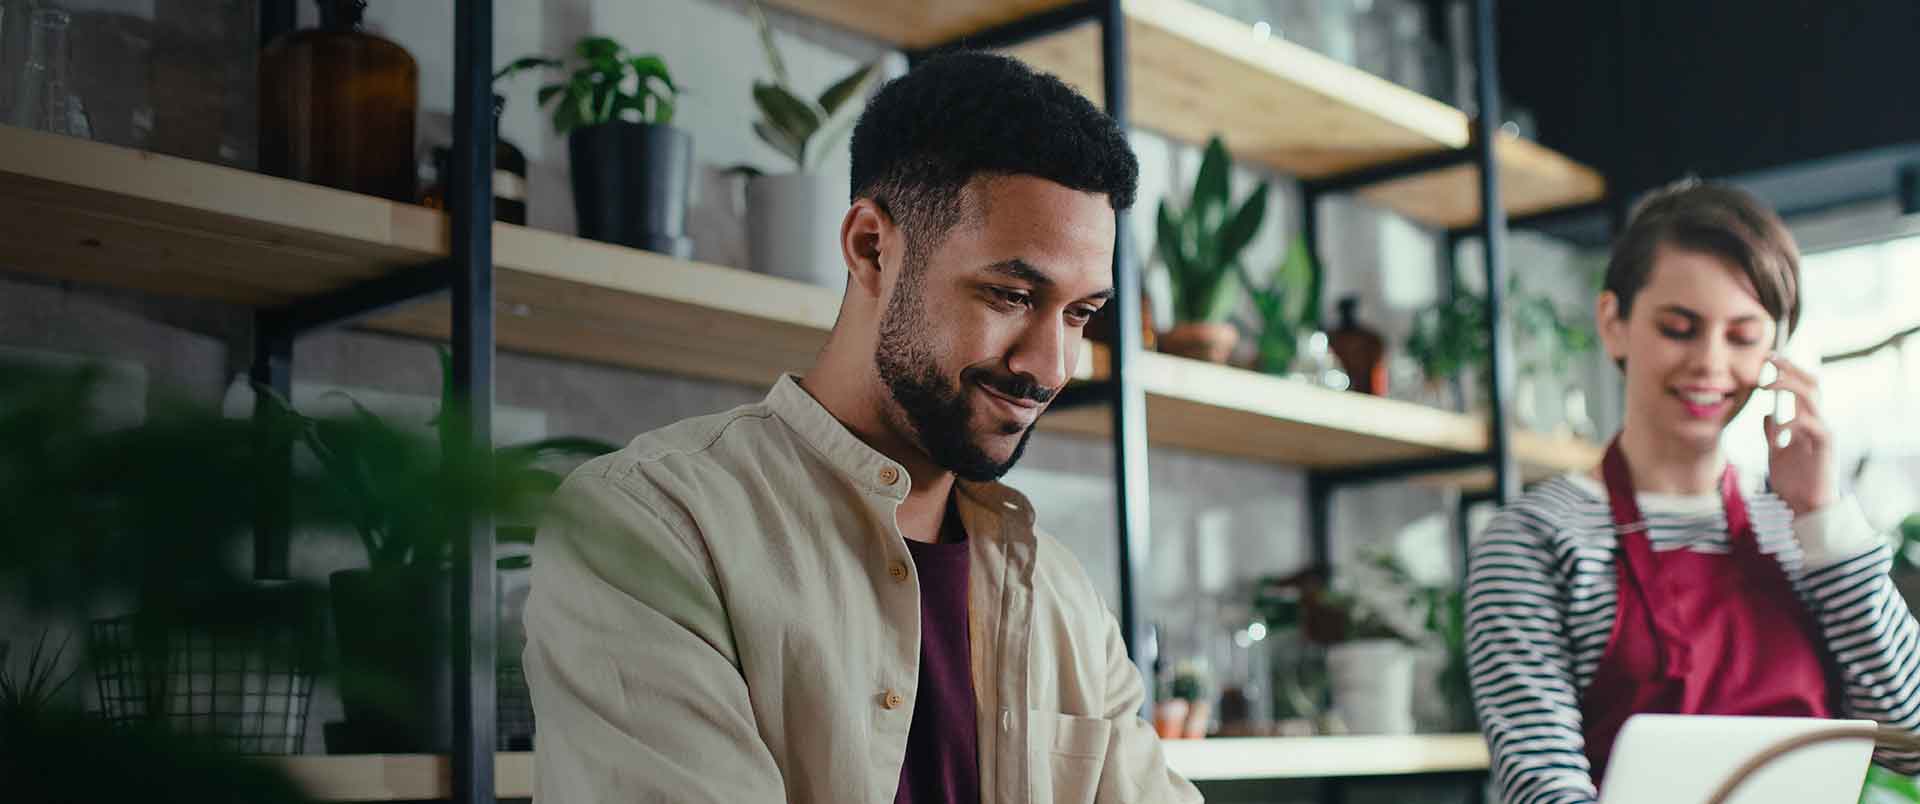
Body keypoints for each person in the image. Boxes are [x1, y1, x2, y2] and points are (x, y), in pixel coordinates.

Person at [522, 51, 1201, 804]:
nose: (1051, 365)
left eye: (1080, 314)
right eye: (1011, 295)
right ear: (871, 247)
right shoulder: (655, 527)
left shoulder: (1063, 598)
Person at [1466, 180, 1920, 804]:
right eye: (1680, 328)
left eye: (1741, 336)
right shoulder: (1535, 541)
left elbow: (1907, 739)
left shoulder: (1803, 531)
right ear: (1614, 324)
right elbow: (1542, 786)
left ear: (1775, 351)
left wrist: (1821, 514)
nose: (1710, 363)